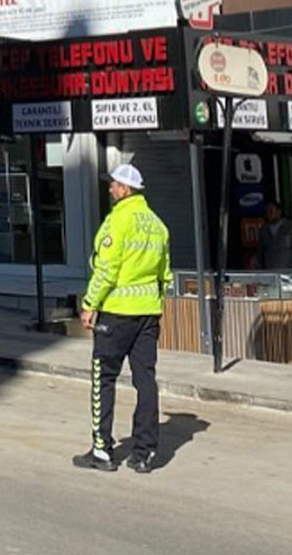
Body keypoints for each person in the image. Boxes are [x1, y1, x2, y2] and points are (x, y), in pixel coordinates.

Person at [73, 163, 171, 474]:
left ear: (126, 190)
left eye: (114, 185)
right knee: (146, 380)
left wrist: (90, 304)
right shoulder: (158, 225)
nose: (110, 189)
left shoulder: (118, 221)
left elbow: (107, 269)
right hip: (147, 314)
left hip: (116, 313)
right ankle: (143, 453)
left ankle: (102, 450)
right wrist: (154, 306)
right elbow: (164, 276)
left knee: (103, 378)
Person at [256, 201, 292, 272]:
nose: (268, 214)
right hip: (270, 272)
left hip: (289, 272)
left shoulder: (291, 228)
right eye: (267, 211)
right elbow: (260, 253)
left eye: (271, 211)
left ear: (279, 212)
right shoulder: (264, 230)